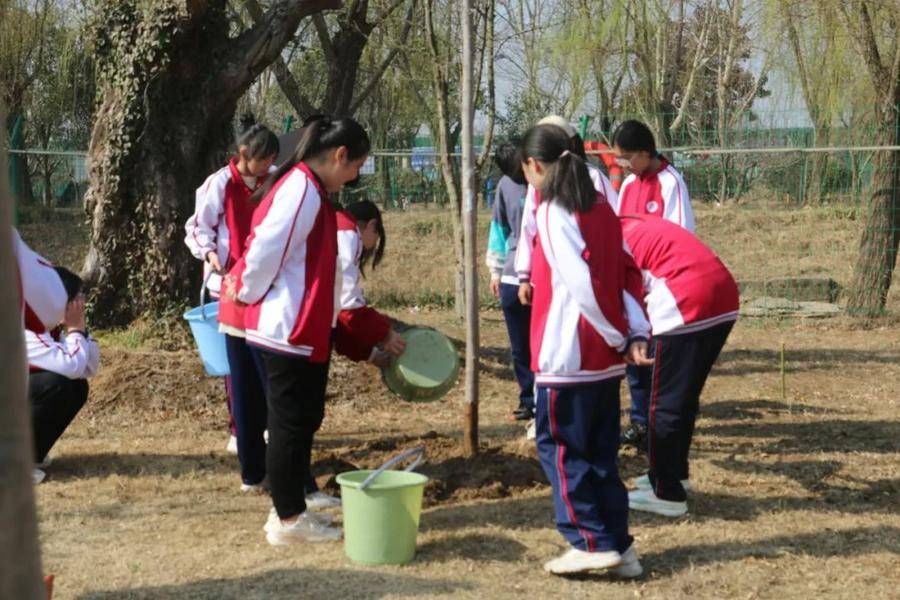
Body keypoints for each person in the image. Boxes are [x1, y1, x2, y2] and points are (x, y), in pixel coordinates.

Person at [222, 115, 370, 546]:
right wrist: (246, 291)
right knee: (287, 424)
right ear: (340, 155)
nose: (356, 176)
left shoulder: (312, 189)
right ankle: (287, 519)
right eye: (356, 165)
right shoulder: (301, 188)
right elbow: (266, 247)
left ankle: (298, 502)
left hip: (301, 327)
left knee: (302, 420)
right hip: (284, 326)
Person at [518, 123, 651, 577]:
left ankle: (588, 539)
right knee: (600, 457)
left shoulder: (553, 210)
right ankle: (620, 547)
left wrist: (618, 335)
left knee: (560, 449)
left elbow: (581, 284)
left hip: (567, 357)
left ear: (536, 166)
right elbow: (628, 273)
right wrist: (634, 333)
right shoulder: (601, 209)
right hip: (602, 363)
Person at [620, 215, 738, 517]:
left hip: (686, 304)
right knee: (682, 401)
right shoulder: (632, 223)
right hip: (722, 298)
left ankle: (667, 493)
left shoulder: (610, 242)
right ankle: (671, 475)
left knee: (664, 404)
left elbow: (620, 299)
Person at [184, 124, 279, 462]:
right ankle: (240, 429)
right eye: (262, 160)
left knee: (267, 358)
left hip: (266, 283)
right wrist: (211, 256)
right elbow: (197, 228)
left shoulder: (275, 179)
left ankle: (268, 424)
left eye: (272, 160)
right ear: (243, 155)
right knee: (236, 366)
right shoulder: (219, 184)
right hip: (228, 286)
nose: (268, 166)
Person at [612, 119, 696, 453]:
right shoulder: (629, 185)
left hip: (661, 287)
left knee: (661, 358)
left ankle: (660, 424)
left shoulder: (671, 183)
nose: (623, 165)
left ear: (646, 153)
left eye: (627, 157)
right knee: (636, 352)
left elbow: (681, 237)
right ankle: (639, 421)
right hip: (634, 288)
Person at [26, 267, 100, 484]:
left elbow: (88, 368)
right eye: (77, 298)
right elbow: (72, 365)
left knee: (76, 387)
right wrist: (76, 330)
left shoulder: (50, 324)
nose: (82, 302)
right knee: (55, 383)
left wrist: (81, 330)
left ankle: (31, 456)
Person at [485, 143, 535, 421]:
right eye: (514, 174)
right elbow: (499, 227)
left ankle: (548, 396)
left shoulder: (547, 181)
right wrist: (495, 270)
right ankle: (528, 397)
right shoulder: (505, 185)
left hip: (542, 276)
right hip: (512, 274)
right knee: (519, 346)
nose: (521, 177)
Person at [333, 200, 406, 366]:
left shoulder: (337, 228)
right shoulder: (347, 234)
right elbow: (347, 308)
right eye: (377, 236)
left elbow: (338, 320)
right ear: (372, 225)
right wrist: (386, 334)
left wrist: (372, 355)